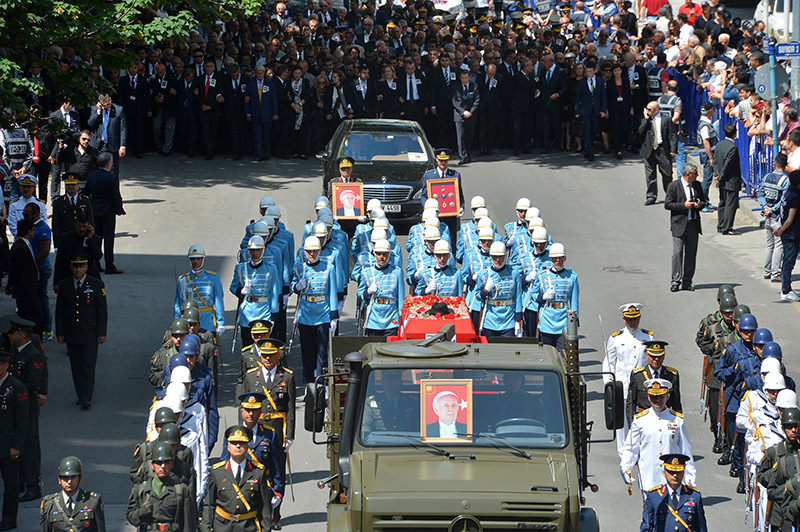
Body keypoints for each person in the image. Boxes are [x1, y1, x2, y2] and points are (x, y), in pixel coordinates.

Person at [241, 339, 295, 527]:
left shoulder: (286, 377)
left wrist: (290, 436)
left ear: (278, 356)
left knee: (277, 470)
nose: (267, 359)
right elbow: (246, 405)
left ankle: (275, 514)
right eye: (264, 355)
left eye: (271, 355)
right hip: (256, 427)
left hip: (278, 429)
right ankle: (255, 511)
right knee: (255, 468)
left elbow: (291, 409)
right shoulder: (251, 377)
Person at [620, 379, 696, 492]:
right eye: (653, 397)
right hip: (648, 480)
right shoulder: (640, 420)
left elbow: (685, 451)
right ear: (648, 397)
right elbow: (631, 448)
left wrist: (690, 477)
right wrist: (626, 468)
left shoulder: (677, 420)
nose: (657, 400)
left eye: (661, 396)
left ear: (667, 396)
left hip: (671, 481)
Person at [55, 254, 107, 410]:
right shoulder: (64, 285)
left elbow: (102, 311)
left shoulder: (96, 285)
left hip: (90, 332)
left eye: (81, 266)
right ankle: (80, 394)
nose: (78, 269)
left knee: (88, 365)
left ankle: (86, 397)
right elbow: (60, 311)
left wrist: (101, 332)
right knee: (76, 365)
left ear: (86, 267)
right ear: (71, 267)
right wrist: (60, 332)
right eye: (75, 266)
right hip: (72, 332)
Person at [5, 315, 47, 503]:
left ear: (21, 334)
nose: (9, 335)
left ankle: (33, 485)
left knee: (28, 444)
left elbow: (33, 381)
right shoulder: (14, 352)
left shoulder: (32, 355)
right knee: (15, 442)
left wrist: (12, 386)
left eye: (12, 332)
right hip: (14, 406)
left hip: (26, 406)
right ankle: (20, 480)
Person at [602, 303, 654, 456]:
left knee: (641, 419)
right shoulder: (616, 338)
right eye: (630, 319)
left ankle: (640, 450)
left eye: (636, 319)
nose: (633, 322)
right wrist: (609, 383)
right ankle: (624, 453)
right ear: (624, 319)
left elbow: (652, 360)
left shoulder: (648, 337)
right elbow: (609, 361)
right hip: (622, 385)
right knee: (622, 421)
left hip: (641, 386)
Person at [202, 426, 271, 532]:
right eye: (234, 443)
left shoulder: (258, 472)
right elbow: (209, 504)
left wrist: (266, 529)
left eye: (242, 443)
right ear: (228, 447)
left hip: (248, 526)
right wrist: (206, 528)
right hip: (222, 526)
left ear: (248, 446)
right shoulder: (217, 472)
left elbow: (265, 506)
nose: (238, 446)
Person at [292, 236, 339, 384]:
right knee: (307, 353)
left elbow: (332, 292)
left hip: (322, 314)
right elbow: (292, 285)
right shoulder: (300, 267)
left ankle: (321, 383)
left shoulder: (328, 268)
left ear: (319, 251)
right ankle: (308, 383)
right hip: (305, 314)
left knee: (322, 353)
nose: (311, 254)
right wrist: (297, 287)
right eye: (309, 251)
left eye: (314, 251)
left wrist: (334, 316)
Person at [126, 442, 197, 532]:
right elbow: (131, 516)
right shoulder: (140, 490)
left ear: (172, 464)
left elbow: (188, 524)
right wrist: (140, 513)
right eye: (159, 463)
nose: (163, 466)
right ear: (152, 465)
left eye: (167, 462)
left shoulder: (181, 490)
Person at [229, 236, 281, 347]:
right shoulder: (241, 268)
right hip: (247, 312)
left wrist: (273, 316)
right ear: (248, 251)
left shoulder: (271, 269)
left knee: (264, 347)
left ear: (263, 250)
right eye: (252, 250)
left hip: (264, 312)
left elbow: (274, 293)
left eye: (258, 250)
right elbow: (233, 287)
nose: (255, 253)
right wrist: (240, 291)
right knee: (248, 347)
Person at [665, 162, 706, 292]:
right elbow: (668, 204)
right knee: (677, 254)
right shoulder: (674, 186)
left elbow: (704, 201)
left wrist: (700, 205)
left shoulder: (697, 185)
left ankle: (687, 282)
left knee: (691, 254)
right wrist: (684, 205)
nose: (697, 176)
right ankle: (675, 281)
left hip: (693, 224)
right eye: (695, 174)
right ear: (688, 174)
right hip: (679, 224)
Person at [640, 454, 707, 532]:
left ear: (683, 473)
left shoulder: (694, 496)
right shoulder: (654, 496)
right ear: (664, 473)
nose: (675, 475)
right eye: (671, 472)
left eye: (678, 472)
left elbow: (701, 527)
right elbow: (647, 526)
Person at [83, 152, 125, 274]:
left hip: (94, 211)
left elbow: (86, 193)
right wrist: (119, 210)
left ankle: (96, 264)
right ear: (108, 164)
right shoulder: (112, 177)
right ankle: (109, 265)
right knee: (108, 238)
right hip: (108, 211)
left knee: (96, 237)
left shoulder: (91, 176)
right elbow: (115, 196)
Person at [0, 349, 28, 532]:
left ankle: (9, 519)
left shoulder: (16, 387)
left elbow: (22, 420)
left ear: (5, 365)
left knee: (11, 485)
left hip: (7, 445)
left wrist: (16, 446)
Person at [40, 456, 106, 532]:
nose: (69, 481)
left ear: (80, 479)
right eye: (65, 477)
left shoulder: (93, 502)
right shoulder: (49, 504)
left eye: (73, 477)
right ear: (59, 480)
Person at [473, 241, 522, 338]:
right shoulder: (484, 275)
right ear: (491, 256)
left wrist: (518, 321)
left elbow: (518, 297)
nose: (498, 259)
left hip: (508, 320)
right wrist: (485, 291)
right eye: (495, 256)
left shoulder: (514, 273)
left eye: (500, 256)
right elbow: (478, 296)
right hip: (490, 320)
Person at [174, 244, 225, 337]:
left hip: (207, 321)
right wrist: (177, 322)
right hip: (189, 323)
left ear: (203, 259)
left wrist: (220, 322)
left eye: (198, 258)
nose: (196, 261)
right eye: (193, 259)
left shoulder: (213, 278)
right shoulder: (182, 280)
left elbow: (219, 301)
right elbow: (178, 304)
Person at [536, 243, 579, 350]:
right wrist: (543, 296)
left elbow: (574, 301)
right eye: (555, 258)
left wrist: (574, 321)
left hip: (563, 320)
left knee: (563, 355)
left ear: (564, 258)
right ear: (551, 259)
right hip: (547, 319)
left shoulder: (572, 276)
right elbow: (533, 296)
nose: (558, 261)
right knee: (546, 354)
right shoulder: (542, 275)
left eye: (560, 258)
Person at [358, 238, 405, 336]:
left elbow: (401, 299)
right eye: (378, 254)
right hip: (374, 317)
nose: (381, 257)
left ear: (389, 255)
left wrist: (402, 320)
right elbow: (359, 293)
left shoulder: (396, 272)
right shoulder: (366, 272)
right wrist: (368, 292)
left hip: (391, 317)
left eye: (385, 254)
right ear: (374, 254)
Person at [419, 149, 464, 250]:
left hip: (451, 217)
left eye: (445, 160)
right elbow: (423, 196)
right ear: (436, 160)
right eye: (440, 160)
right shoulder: (429, 176)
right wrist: (429, 207)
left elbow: (459, 196)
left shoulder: (455, 175)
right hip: (434, 217)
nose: (443, 163)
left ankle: (451, 265)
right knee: (434, 242)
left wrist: (461, 207)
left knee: (451, 244)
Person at [627, 341, 682, 422]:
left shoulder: (672, 375)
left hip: (665, 419)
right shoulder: (637, 375)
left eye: (659, 356)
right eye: (652, 356)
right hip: (644, 420)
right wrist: (632, 424)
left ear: (663, 356)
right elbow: (631, 403)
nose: (656, 359)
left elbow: (676, 403)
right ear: (646, 355)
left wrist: (678, 423)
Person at [759, 153, 790, 283]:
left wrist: (766, 207)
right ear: (786, 165)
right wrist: (773, 209)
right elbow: (783, 199)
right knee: (779, 245)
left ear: (774, 164)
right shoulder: (785, 181)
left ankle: (767, 271)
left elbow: (761, 193)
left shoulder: (766, 177)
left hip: (767, 215)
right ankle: (775, 273)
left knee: (769, 244)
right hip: (777, 217)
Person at [639, 100, 677, 206]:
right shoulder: (645, 120)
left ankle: (670, 195)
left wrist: (673, 149)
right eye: (646, 109)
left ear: (656, 111)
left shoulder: (666, 120)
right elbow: (640, 131)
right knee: (650, 174)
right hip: (649, 150)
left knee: (667, 174)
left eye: (649, 109)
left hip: (662, 150)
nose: (647, 111)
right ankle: (651, 196)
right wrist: (646, 120)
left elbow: (672, 134)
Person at [7, 218, 42, 330]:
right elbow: (16, 271)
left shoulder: (22, 245)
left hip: (28, 289)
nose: (34, 232)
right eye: (32, 230)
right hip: (26, 290)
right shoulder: (20, 248)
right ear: (28, 231)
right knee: (30, 316)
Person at [52, 213, 102, 289]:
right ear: (75, 225)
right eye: (79, 226)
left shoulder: (95, 238)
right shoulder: (66, 238)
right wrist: (56, 282)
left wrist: (90, 240)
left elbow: (97, 256)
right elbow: (59, 261)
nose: (81, 229)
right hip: (69, 276)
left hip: (89, 276)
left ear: (89, 226)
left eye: (84, 226)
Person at [774, 170, 800, 302]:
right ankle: (786, 290)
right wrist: (781, 230)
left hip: (788, 233)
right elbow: (790, 219)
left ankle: (786, 289)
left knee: (787, 262)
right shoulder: (794, 198)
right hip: (790, 235)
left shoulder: (788, 194)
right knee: (788, 263)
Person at [87, 94, 127, 177]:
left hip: (112, 145)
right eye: (104, 104)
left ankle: (114, 190)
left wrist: (122, 146)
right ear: (100, 103)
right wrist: (98, 112)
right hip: (99, 145)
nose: (107, 106)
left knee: (113, 173)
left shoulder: (118, 110)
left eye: (108, 103)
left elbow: (123, 129)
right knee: (98, 171)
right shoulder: (95, 109)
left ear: (111, 100)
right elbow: (90, 124)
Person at [50, 173, 93, 249]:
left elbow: (90, 220)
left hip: (82, 239)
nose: (70, 187)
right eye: (68, 185)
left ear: (78, 186)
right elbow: (55, 225)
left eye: (73, 184)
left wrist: (90, 239)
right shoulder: (58, 202)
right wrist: (57, 244)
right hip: (65, 239)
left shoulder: (85, 200)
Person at [574, 62, 607, 161]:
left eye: (590, 71)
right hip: (585, 110)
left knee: (594, 130)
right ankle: (590, 152)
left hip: (596, 110)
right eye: (587, 71)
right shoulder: (582, 82)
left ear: (594, 71)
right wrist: (577, 111)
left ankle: (588, 149)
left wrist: (603, 110)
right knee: (587, 131)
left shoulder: (600, 81)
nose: (588, 73)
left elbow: (603, 97)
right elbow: (578, 98)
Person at [245, 65, 279, 161]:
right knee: (257, 135)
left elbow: (274, 100)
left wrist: (275, 113)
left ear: (264, 74)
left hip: (267, 114)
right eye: (258, 73)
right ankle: (259, 154)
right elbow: (246, 100)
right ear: (255, 74)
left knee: (267, 136)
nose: (260, 75)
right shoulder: (250, 84)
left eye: (261, 73)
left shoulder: (270, 84)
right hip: (255, 113)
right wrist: (248, 113)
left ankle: (267, 154)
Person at [714, 122, 742, 235]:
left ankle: (721, 225)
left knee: (722, 203)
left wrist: (717, 175)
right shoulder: (733, 148)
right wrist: (720, 177)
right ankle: (727, 227)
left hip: (721, 180)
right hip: (730, 180)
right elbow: (727, 165)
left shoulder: (719, 145)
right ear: (734, 134)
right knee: (731, 204)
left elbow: (715, 161)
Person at [451, 68, 480, 165]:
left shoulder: (474, 86)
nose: (464, 80)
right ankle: (462, 156)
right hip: (459, 116)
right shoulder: (455, 87)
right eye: (463, 78)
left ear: (469, 77)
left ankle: (468, 154)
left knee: (469, 136)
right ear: (460, 78)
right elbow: (454, 102)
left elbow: (476, 101)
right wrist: (463, 112)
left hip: (471, 116)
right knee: (461, 137)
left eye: (466, 78)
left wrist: (470, 112)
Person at [697, 101, 718, 212]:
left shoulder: (704, 122)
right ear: (710, 111)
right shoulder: (705, 125)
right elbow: (706, 142)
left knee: (708, 179)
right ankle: (702, 203)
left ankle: (706, 200)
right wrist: (710, 157)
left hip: (707, 155)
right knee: (707, 180)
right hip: (707, 156)